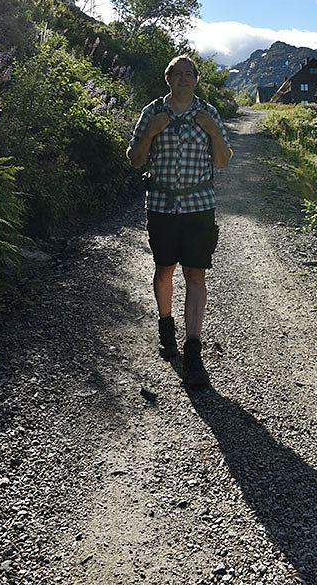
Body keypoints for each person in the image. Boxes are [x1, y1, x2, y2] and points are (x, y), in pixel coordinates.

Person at [126, 55, 233, 388]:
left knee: (196, 275)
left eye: (190, 74)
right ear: (168, 77)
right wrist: (150, 133)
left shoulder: (209, 114)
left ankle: (193, 350)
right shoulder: (151, 113)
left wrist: (214, 132)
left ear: (196, 79)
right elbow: (135, 161)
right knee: (164, 270)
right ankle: (166, 326)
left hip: (199, 207)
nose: (185, 78)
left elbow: (224, 162)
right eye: (178, 73)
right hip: (160, 205)